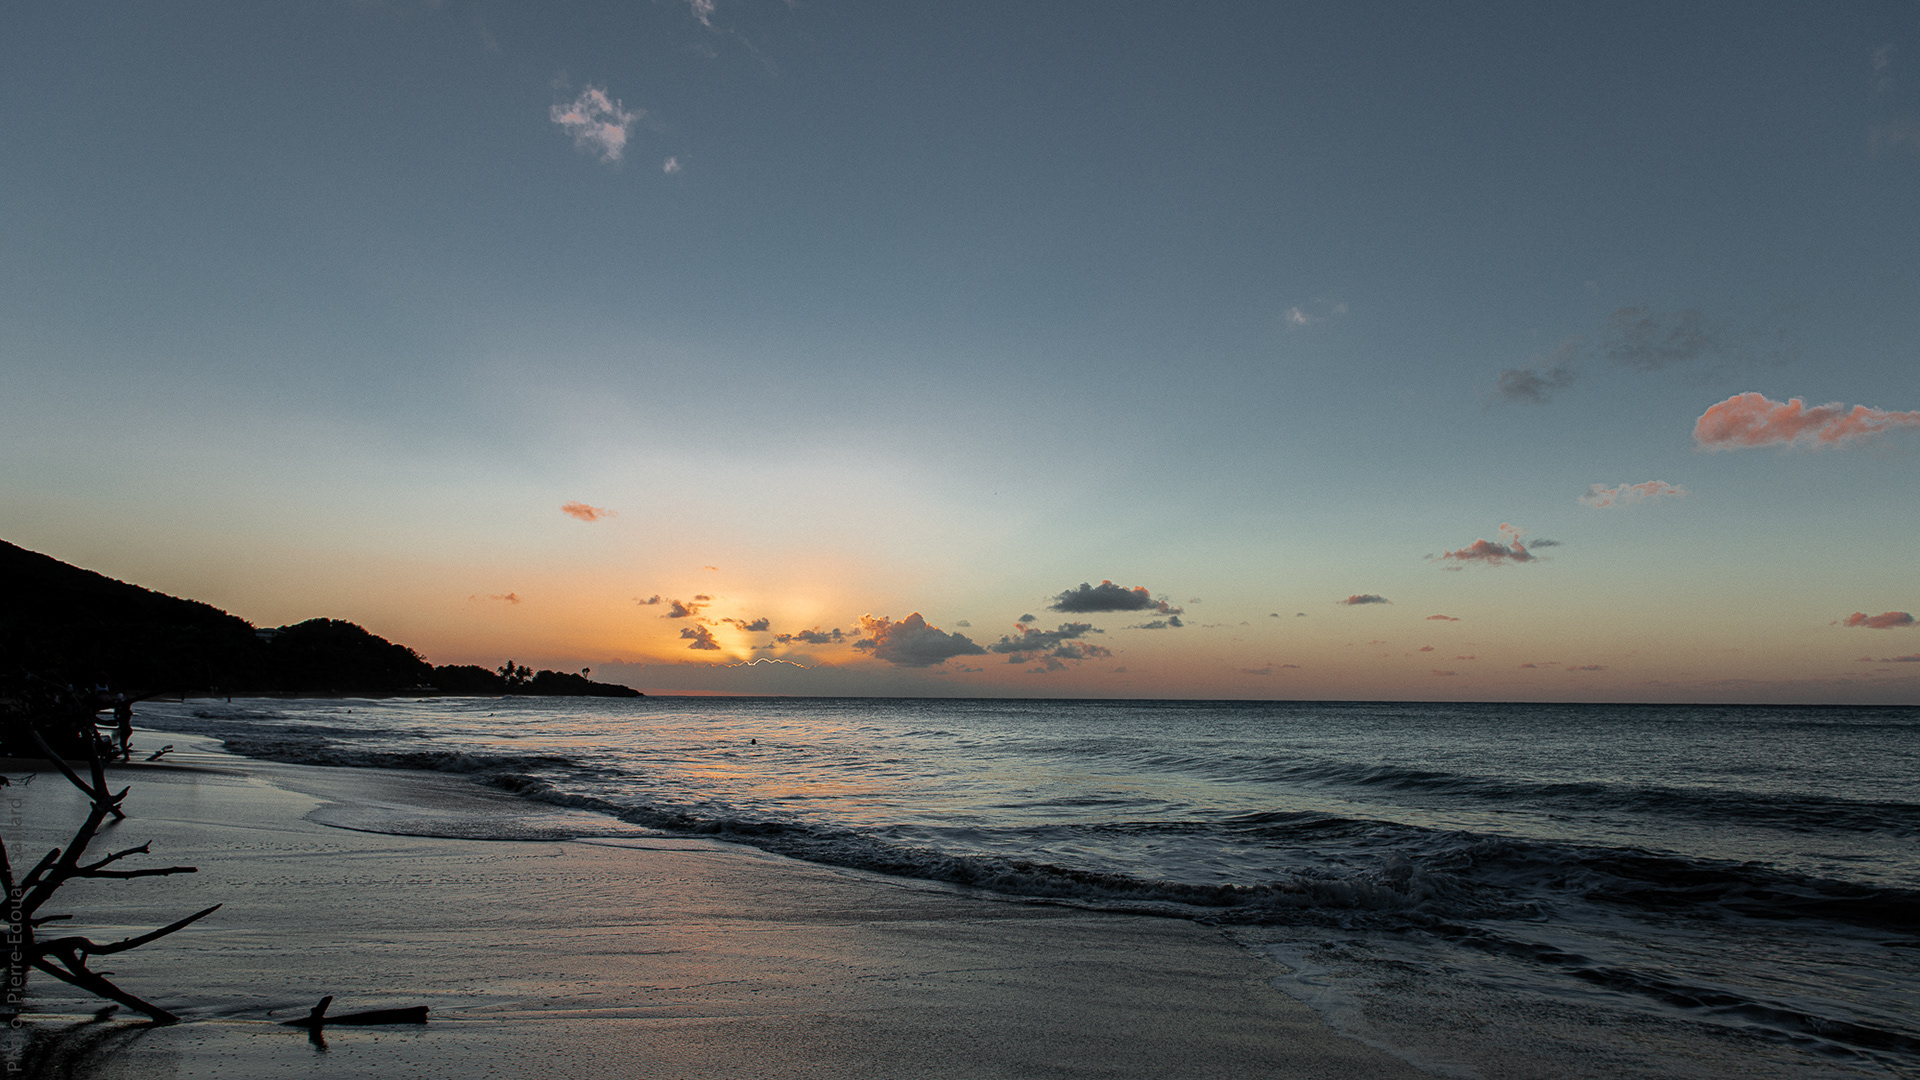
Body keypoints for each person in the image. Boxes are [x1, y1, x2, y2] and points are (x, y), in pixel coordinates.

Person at [112, 694, 134, 760]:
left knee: (122, 743)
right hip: (126, 728)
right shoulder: (125, 712)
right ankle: (126, 756)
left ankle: (126, 757)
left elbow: (116, 717)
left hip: (125, 729)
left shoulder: (124, 712)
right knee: (122, 743)